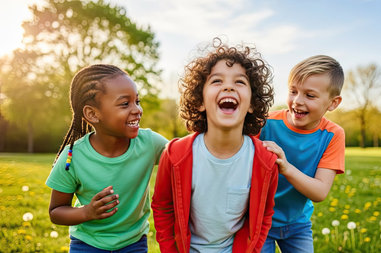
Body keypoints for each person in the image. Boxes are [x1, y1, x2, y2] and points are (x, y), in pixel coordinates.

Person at [151, 38, 279, 253]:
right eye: (216, 81)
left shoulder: (265, 161)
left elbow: (263, 216)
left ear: (252, 104)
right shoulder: (175, 154)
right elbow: (163, 208)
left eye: (240, 82)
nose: (228, 85)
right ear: (200, 101)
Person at [46, 64, 168, 252]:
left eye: (137, 101)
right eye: (125, 104)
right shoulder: (73, 156)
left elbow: (183, 154)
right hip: (87, 245)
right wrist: (87, 212)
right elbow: (56, 212)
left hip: (134, 243)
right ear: (93, 114)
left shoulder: (149, 143)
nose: (137, 110)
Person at [259, 55, 345, 253]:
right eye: (293, 91)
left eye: (310, 95)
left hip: (297, 223)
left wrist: (286, 167)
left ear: (333, 103)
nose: (297, 101)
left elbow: (320, 192)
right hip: (258, 221)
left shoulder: (332, 135)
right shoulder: (266, 123)